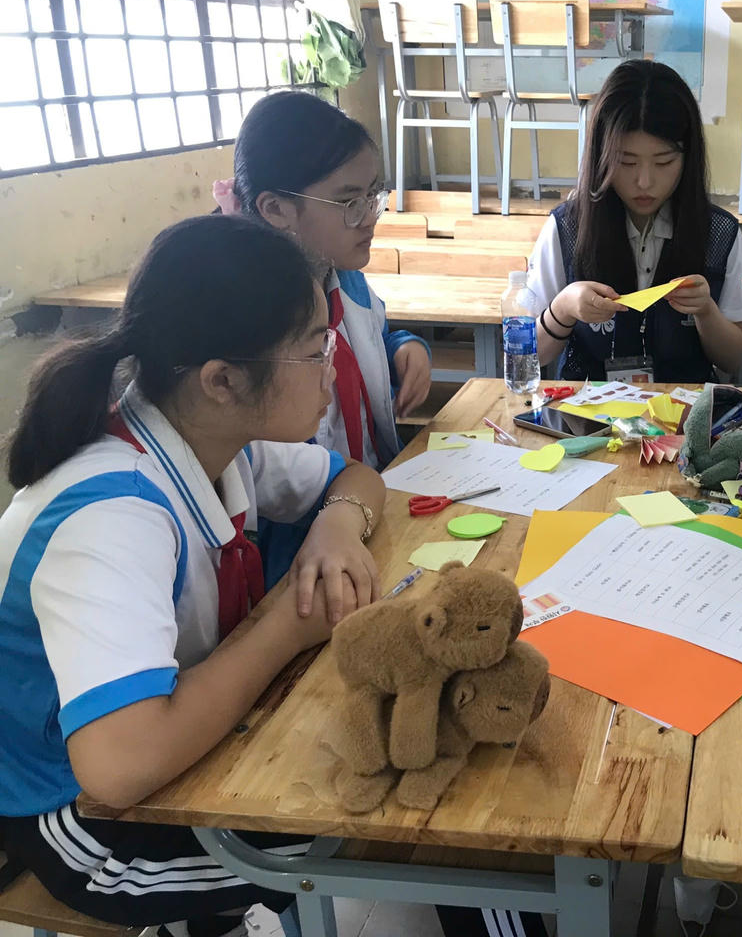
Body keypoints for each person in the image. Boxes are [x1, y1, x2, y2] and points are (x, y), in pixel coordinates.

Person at [0, 216, 385, 935]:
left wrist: (337, 526)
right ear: (223, 380)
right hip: (80, 825)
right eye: (314, 349)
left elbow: (356, 479)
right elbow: (119, 766)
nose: (331, 367)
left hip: (154, 751)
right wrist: (285, 627)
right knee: (393, 825)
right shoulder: (113, 516)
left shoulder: (217, 436)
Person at [215, 90, 432, 467]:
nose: (370, 217)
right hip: (323, 502)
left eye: (373, 195)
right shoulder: (250, 328)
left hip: (375, 482)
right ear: (275, 208)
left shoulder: (345, 280)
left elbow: (369, 342)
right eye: (349, 203)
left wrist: (403, 349)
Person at [524, 60, 742, 382]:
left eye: (664, 162)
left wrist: (706, 310)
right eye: (626, 162)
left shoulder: (719, 233)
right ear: (601, 156)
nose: (645, 182)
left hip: (685, 408)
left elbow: (733, 360)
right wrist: (562, 309)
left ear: (688, 157)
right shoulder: (566, 227)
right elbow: (528, 357)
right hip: (590, 407)